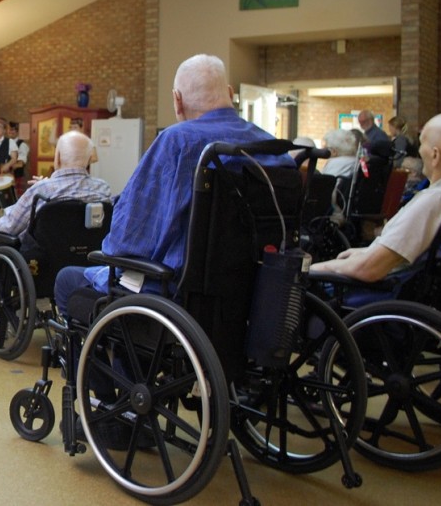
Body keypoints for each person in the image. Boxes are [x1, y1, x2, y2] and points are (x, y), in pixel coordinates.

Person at [53, 54, 294, 317]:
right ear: (229, 93)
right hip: (255, 297)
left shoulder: (178, 142)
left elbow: (127, 240)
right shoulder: (275, 150)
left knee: (68, 279)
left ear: (177, 100)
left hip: (174, 294)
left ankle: (105, 356)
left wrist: (111, 254)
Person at [311, 112, 441, 283]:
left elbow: (368, 269)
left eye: (422, 142)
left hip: (383, 293)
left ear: (435, 155)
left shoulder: (436, 200)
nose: (418, 149)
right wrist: (366, 251)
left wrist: (311, 269)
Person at [0, 130, 110, 239]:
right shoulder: (103, 188)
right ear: (89, 159)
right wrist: (47, 183)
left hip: (41, 259)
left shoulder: (41, 190)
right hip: (88, 257)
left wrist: (5, 213)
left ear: (57, 157)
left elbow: (9, 228)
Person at [8, 121, 30, 193]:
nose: (10, 131)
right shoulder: (5, 143)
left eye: (12, 129)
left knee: (16, 200)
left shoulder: (22, 145)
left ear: (17, 131)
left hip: (16, 177)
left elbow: (20, 164)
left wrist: (7, 166)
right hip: (4, 177)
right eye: (9, 129)